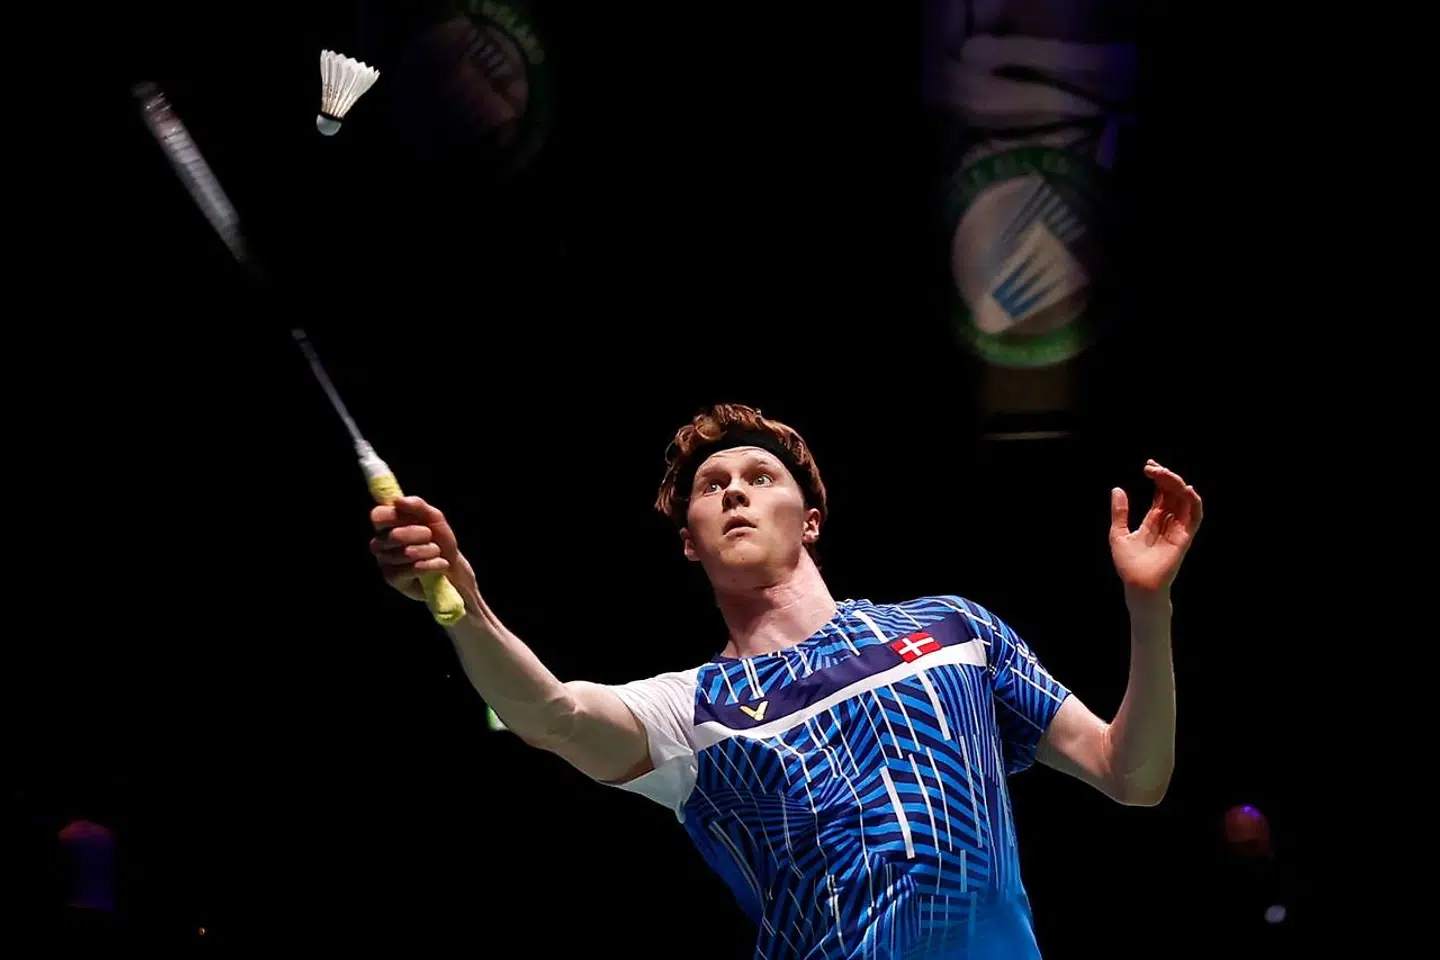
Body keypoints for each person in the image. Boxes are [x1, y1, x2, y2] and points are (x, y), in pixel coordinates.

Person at [369, 403, 1202, 959]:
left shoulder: (954, 630)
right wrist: (463, 603)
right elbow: (551, 714)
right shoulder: (692, 710)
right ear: (690, 540)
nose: (733, 490)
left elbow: (1132, 775)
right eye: (711, 487)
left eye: (759, 477)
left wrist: (1148, 604)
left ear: (809, 520)